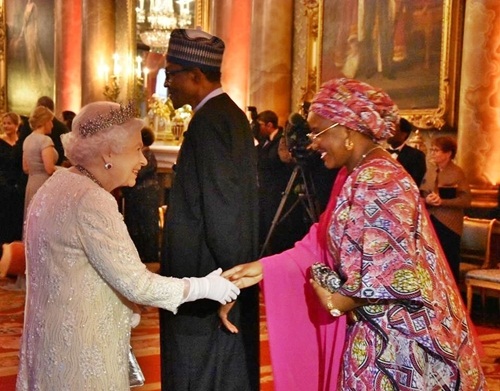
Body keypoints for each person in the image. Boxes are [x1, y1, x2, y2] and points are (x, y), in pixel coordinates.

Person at [223, 78, 485, 390]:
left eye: (318, 132)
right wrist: (263, 268)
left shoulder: (380, 179)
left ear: (346, 130)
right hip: (375, 335)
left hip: (396, 348)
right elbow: (323, 238)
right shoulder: (358, 174)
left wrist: (335, 302)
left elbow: (393, 273)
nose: (313, 143)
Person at [15, 101, 240, 390]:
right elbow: (138, 285)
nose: (144, 160)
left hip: (49, 345)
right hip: (84, 353)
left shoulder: (56, 184)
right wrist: (207, 287)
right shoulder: (93, 200)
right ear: (109, 153)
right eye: (137, 149)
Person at [159, 28, 260, 391]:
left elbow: (225, 211)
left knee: (204, 373)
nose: (166, 83)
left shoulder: (211, 121)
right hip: (210, 279)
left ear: (195, 76)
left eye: (171, 74)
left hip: (206, 284)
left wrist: (230, 287)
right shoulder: (222, 115)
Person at [420, 136, 471, 282]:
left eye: (436, 150)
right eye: (432, 150)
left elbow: (466, 200)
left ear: (448, 154)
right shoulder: (430, 171)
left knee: (448, 263)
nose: (432, 153)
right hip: (430, 221)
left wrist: (442, 201)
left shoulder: (457, 173)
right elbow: (420, 195)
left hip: (449, 225)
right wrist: (426, 200)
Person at [255, 110, 295, 254]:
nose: (258, 128)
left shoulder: (281, 140)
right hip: (265, 192)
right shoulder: (266, 142)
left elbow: (276, 161)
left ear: (269, 125)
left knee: (276, 226)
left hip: (277, 191)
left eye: (260, 125)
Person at [122, 126, 160, 263]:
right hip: (138, 195)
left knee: (147, 227)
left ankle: (150, 258)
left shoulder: (147, 155)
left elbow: (138, 175)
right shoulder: (142, 154)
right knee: (135, 226)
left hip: (145, 196)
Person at [22, 106, 58, 219]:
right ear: (45, 121)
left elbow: (26, 168)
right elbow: (49, 169)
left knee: (33, 221)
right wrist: (66, 170)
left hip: (31, 184)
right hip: (44, 185)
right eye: (51, 121)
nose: (52, 125)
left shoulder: (27, 139)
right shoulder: (45, 140)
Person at [0, 112, 25, 245]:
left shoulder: (20, 143)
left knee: (16, 216)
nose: (6, 126)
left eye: (9, 123)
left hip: (18, 184)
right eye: (4, 123)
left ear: (16, 125)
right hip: (3, 184)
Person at [386, 117, 427, 186]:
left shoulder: (416, 155)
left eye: (393, 129)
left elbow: (415, 183)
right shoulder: (381, 153)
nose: (388, 132)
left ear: (403, 134)